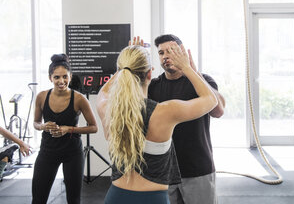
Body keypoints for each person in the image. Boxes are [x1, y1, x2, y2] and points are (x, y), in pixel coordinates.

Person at [96, 43, 217, 204]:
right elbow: (211, 100)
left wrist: (124, 67)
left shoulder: (107, 108)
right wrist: (187, 67)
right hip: (153, 199)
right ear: (149, 74)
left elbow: (103, 92)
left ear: (121, 72)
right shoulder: (165, 112)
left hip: (116, 196)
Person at [148, 34, 225, 204]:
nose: (166, 56)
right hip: (164, 171)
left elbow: (218, 111)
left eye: (171, 51)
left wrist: (193, 71)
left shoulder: (202, 81)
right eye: (161, 53)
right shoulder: (153, 86)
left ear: (182, 52)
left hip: (198, 167)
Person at [32, 54, 98, 204]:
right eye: (56, 77)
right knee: (38, 199)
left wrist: (69, 129)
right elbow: (35, 123)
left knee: (73, 200)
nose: (61, 81)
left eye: (64, 77)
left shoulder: (80, 99)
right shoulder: (42, 97)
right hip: (48, 151)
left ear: (70, 76)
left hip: (72, 153)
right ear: (50, 78)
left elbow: (94, 127)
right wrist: (43, 126)